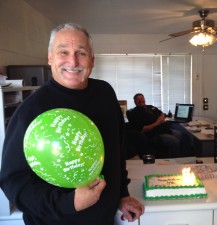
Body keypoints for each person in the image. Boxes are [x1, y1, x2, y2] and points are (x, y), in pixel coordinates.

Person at [0, 23, 144, 225]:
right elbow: (13, 181)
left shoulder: (105, 93)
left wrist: (122, 195)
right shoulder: (31, 110)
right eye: (63, 52)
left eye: (81, 53)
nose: (73, 61)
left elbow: (116, 152)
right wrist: (69, 203)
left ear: (92, 59)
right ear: (50, 57)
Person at [127, 93, 183, 158]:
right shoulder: (134, 113)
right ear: (135, 102)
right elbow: (143, 129)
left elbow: (162, 114)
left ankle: (182, 157)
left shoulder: (150, 107)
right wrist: (157, 123)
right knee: (174, 141)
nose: (141, 100)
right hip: (153, 134)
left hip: (162, 129)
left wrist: (160, 119)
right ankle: (174, 162)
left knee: (180, 134)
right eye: (138, 99)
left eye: (142, 98)